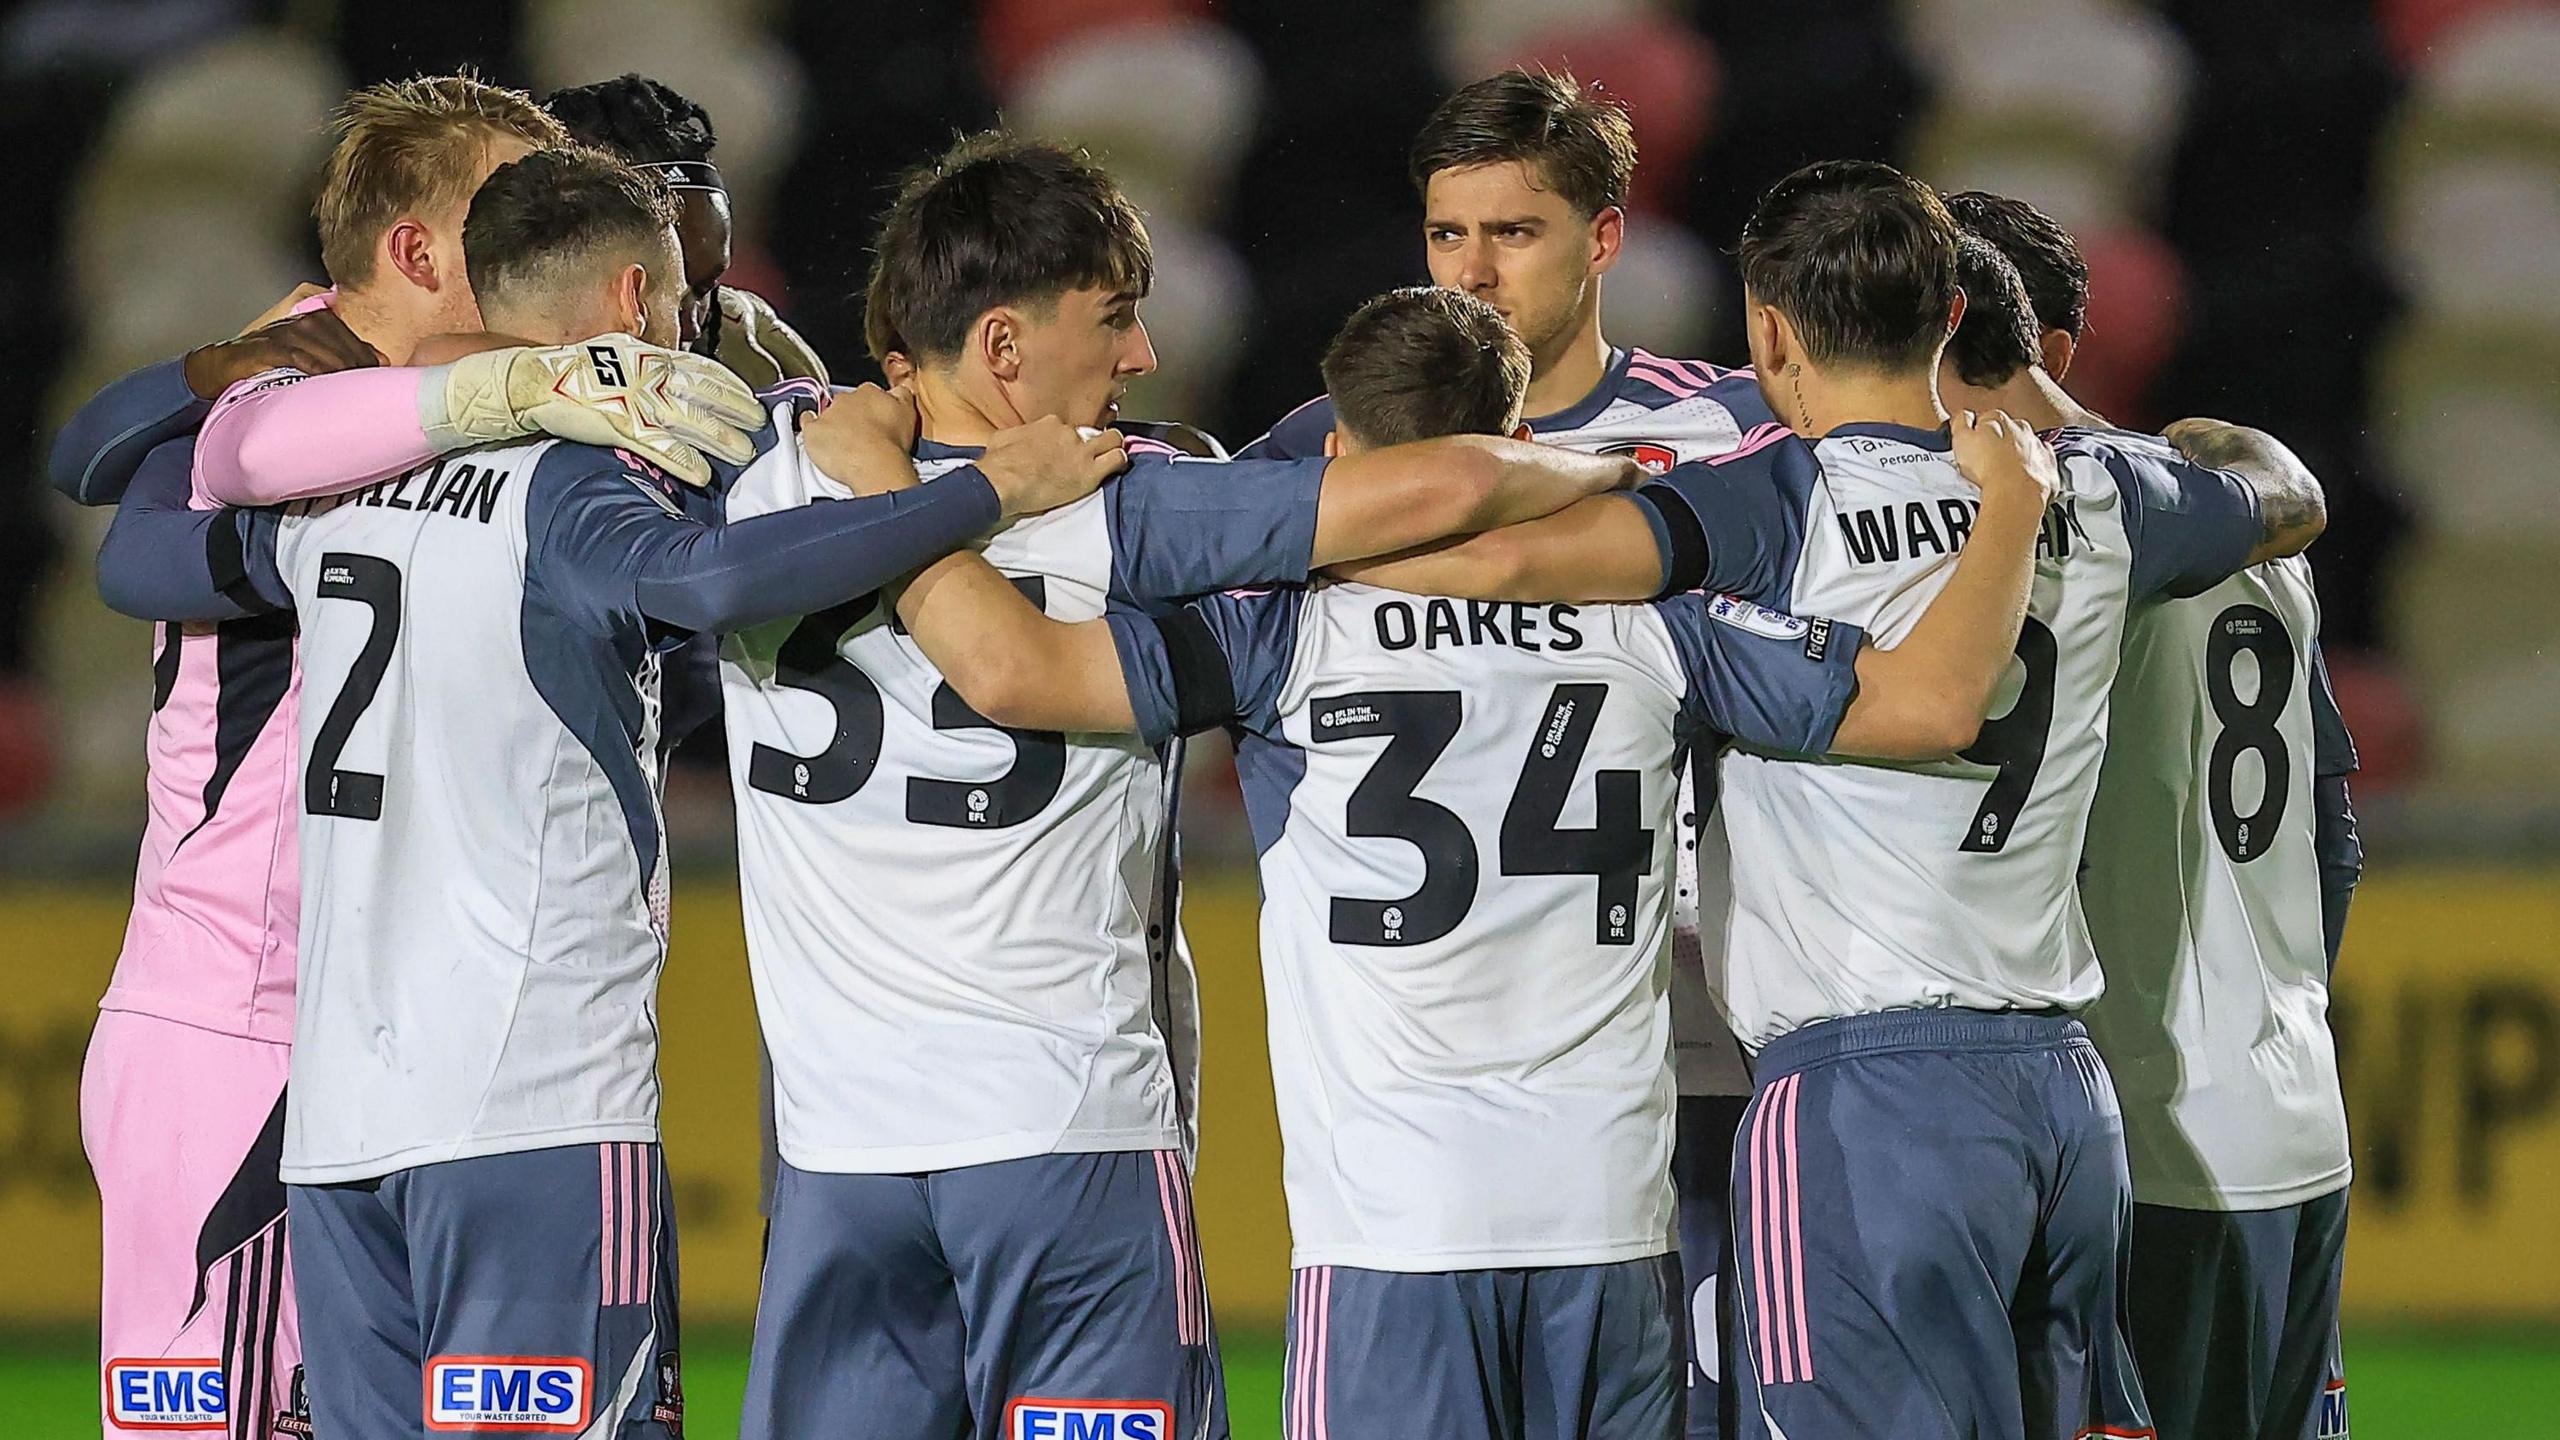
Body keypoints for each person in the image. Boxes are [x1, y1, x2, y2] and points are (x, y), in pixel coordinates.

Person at [851, 282, 2056, 1439]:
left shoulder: (1280, 619)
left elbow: (1019, 671)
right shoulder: (1656, 621)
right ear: (1523, 435)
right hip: (1606, 1220)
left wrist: (883, 500)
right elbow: (1922, 704)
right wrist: (2012, 509)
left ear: (1339, 465)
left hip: (1392, 1231)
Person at [91, 145, 1112, 1439]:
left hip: (343, 1130)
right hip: (532, 1103)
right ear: (633, 299)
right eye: (683, 292)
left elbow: (138, 539)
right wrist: (974, 490)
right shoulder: (578, 486)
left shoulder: (332, 477)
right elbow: (711, 581)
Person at [722, 131, 1666, 1440]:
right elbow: (1447, 480)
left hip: (833, 1160)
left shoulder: (758, 483)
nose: (1142, 357)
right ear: (1004, 350)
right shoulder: (1135, 503)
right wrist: (1617, 471)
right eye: (1114, 321)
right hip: (1068, 1136)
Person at [45, 75, 647, 1440]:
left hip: (368, 1039)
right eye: (506, 216)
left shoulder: (422, 410)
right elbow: (116, 503)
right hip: (239, 1016)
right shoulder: (286, 407)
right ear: (422, 254)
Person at [1240, 75, 1792, 1427]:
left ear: (1606, 241)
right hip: (1466, 1057)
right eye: (1446, 237)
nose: (1473, 274)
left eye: (1515, 234)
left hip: (1710, 1037)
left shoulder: (1729, 428)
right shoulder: (1333, 446)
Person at [1941, 194, 2365, 1440]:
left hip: (2145, 1129)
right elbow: (2331, 835)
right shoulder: (2252, 526)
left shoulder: (2043, 542)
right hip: (2294, 1118)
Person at [545, 71, 829, 388]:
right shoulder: (489, 380)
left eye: (705, 288)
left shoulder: (755, 365)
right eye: (652, 287)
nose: (691, 327)